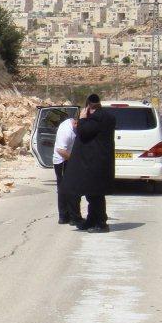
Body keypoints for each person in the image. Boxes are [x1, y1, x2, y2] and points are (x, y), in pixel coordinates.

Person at [62, 94, 116, 233]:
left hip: (94, 163)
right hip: (98, 162)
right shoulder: (106, 117)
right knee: (92, 193)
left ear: (89, 107)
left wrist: (82, 118)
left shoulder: (95, 120)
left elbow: (83, 132)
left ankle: (101, 223)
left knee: (95, 194)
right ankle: (92, 220)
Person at [52, 112, 79, 225]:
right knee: (65, 188)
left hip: (67, 158)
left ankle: (67, 216)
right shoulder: (67, 131)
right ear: (76, 123)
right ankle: (66, 216)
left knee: (67, 188)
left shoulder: (73, 126)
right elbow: (61, 150)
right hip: (62, 160)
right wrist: (75, 160)